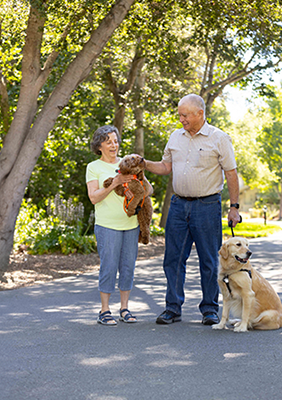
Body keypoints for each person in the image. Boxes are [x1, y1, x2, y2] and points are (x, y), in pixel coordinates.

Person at [145, 94, 240, 326]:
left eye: (185, 115)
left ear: (200, 113)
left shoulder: (219, 138)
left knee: (209, 259)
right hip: (178, 206)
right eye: (180, 114)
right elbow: (166, 167)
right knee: (173, 258)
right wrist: (144, 163)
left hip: (207, 206)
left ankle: (210, 309)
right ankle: (172, 308)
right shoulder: (175, 137)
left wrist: (234, 207)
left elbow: (231, 173)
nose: (181, 119)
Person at [86, 125, 152, 325]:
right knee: (109, 266)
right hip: (107, 226)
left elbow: (149, 189)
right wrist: (116, 182)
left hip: (131, 225)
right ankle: (104, 310)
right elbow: (93, 198)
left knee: (127, 267)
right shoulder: (94, 167)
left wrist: (137, 189)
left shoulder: (128, 163)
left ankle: (124, 308)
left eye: (115, 141)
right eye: (108, 142)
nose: (113, 145)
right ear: (99, 146)